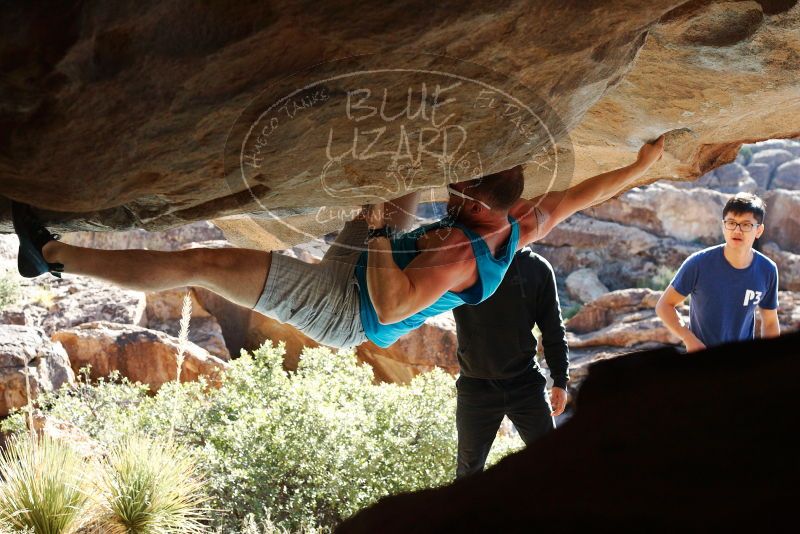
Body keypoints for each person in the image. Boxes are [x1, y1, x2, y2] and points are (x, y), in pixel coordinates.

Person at [13, 136, 665, 349]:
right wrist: (642, 163)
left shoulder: (453, 256)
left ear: (472, 202)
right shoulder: (524, 218)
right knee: (400, 169)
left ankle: (49, 257)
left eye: (458, 183)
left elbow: (388, 306)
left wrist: (380, 225)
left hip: (348, 308)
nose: (452, 182)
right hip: (378, 268)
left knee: (206, 263)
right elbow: (587, 194)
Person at [452, 248, 568, 479]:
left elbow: (553, 328)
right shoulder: (465, 261)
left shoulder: (537, 267)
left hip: (526, 383)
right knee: (468, 473)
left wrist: (560, 380)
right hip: (476, 388)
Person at [656, 193, 780, 351]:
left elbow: (769, 322)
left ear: (759, 230)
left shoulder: (767, 269)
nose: (737, 230)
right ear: (723, 226)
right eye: (731, 223)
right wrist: (689, 339)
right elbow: (664, 305)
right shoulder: (698, 263)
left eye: (746, 225)